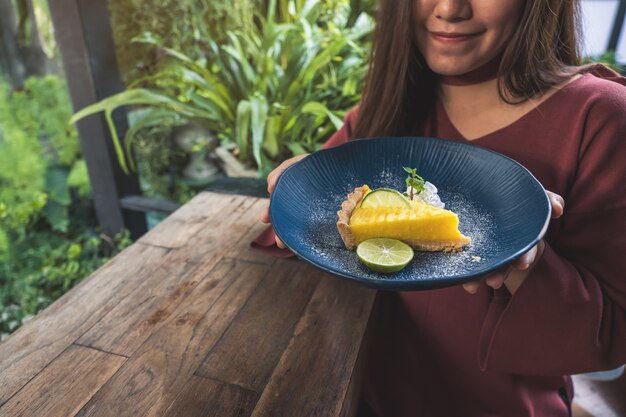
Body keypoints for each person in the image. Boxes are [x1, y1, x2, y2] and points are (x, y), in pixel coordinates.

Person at [256, 0, 626, 415]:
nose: (449, 9)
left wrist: (526, 264)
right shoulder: (390, 105)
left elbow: (610, 335)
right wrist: (296, 185)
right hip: (361, 393)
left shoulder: (602, 117)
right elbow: (303, 232)